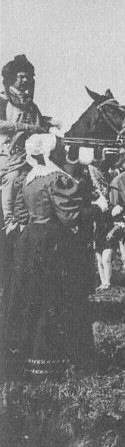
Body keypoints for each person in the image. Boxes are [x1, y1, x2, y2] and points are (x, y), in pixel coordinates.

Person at [0, 134, 104, 381]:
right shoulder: (56, 178)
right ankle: (60, 361)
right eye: (59, 149)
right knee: (57, 298)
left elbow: (20, 215)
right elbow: (70, 216)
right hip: (53, 244)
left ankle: (26, 361)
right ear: (51, 152)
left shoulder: (29, 179)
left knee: (30, 298)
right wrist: (99, 208)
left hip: (29, 244)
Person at [0, 55, 51, 287]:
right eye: (22, 77)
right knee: (11, 179)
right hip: (7, 156)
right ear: (12, 78)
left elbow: (40, 125)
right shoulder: (3, 101)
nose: (26, 82)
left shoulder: (32, 105)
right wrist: (24, 127)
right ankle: (10, 220)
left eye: (29, 78)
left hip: (29, 156)